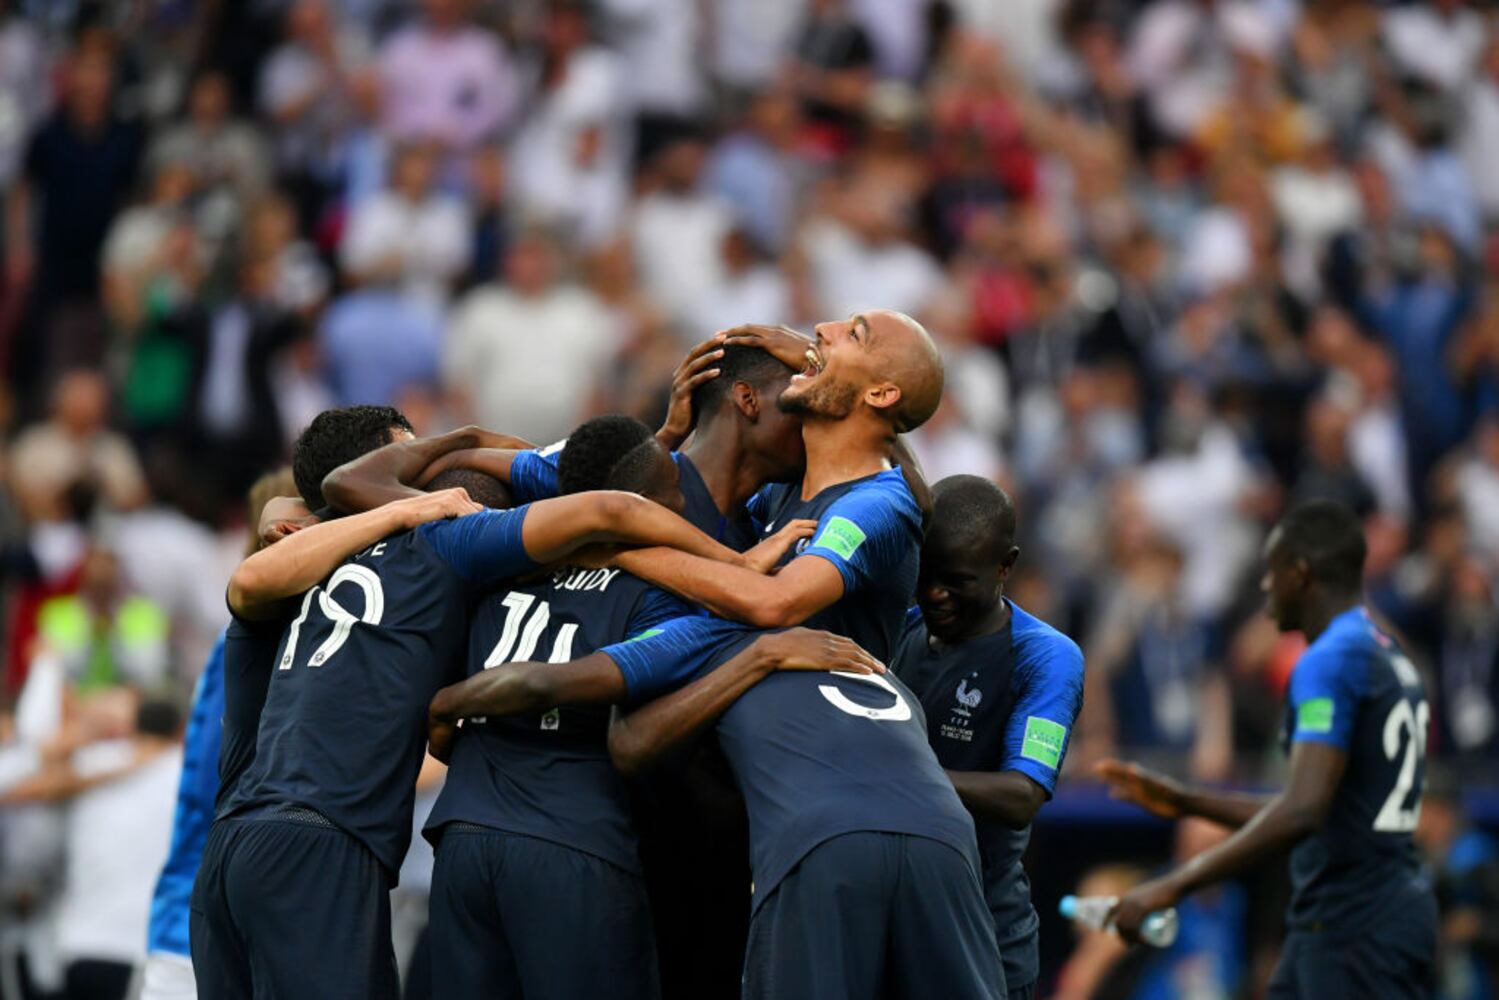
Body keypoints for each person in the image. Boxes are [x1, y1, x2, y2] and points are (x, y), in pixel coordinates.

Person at [430, 310, 1007, 997]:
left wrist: (620, 544)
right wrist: (664, 441)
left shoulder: (871, 505)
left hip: (786, 817)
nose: (819, 331)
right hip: (691, 809)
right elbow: (578, 477)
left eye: (849, 336)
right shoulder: (766, 499)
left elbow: (771, 604)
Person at [193, 465, 771, 999]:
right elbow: (608, 517)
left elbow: (273, 534)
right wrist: (737, 573)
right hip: (350, 841)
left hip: (245, 844)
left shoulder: (306, 565)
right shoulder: (448, 547)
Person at [420, 417, 820, 1000]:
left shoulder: (504, 568)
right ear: (640, 507)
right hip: (572, 843)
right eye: (674, 492)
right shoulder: (662, 604)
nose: (685, 502)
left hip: (462, 841)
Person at [1098, 500, 1438, 998]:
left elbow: (1300, 813)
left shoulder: (1329, 660)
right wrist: (1188, 801)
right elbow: (1318, 809)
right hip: (1363, 913)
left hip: (1355, 922)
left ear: (1300, 574)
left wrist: (1171, 885)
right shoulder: (1384, 651)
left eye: (1270, 573)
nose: (1264, 588)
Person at [892, 475, 1085, 1000]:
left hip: (985, 941)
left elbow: (1022, 796)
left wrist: (895, 773)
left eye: (956, 580)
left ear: (1006, 566)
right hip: (891, 931)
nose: (934, 593)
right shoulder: (897, 629)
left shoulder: (1045, 657)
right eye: (925, 574)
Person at [139, 469, 294, 1000]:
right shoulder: (251, 652)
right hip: (197, 944)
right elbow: (223, 789)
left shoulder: (244, 646)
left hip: (211, 938)